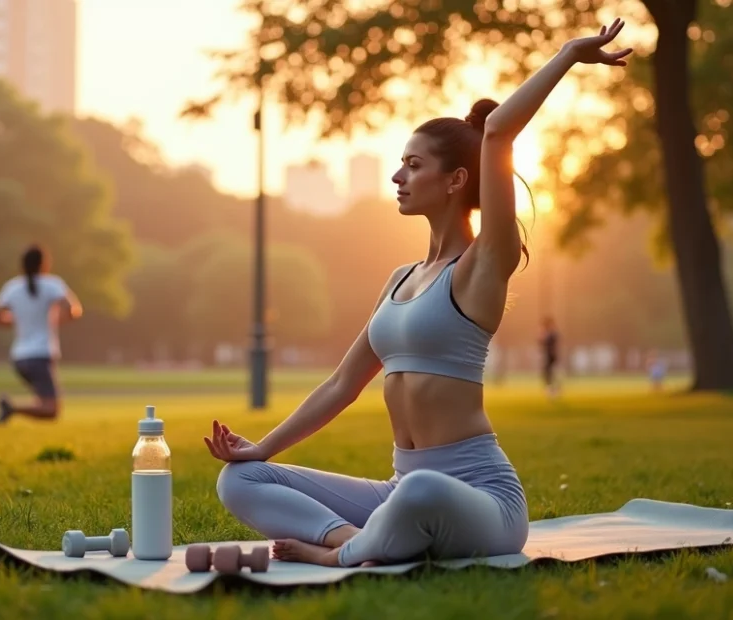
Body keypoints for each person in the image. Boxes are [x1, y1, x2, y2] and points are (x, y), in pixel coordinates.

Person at [204, 20, 633, 567]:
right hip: (398, 488)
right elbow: (341, 384)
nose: (396, 177)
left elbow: (498, 131)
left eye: (413, 164)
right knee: (240, 480)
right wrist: (261, 448)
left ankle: (341, 554)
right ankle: (348, 539)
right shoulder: (401, 279)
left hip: (480, 501)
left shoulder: (482, 266)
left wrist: (569, 54)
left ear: (456, 180)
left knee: (420, 493)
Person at [0, 244, 82, 425]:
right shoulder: (52, 285)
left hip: (20, 357)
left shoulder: (12, 287)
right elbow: (74, 310)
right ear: (44, 264)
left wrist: (17, 321)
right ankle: (10, 408)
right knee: (51, 409)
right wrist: (55, 320)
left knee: (46, 403)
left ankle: (11, 409)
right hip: (41, 354)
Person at [539, 316, 560, 397]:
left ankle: (553, 390)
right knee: (548, 374)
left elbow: (546, 342)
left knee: (549, 374)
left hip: (551, 356)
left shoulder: (551, 333)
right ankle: (551, 389)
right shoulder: (548, 332)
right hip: (549, 356)